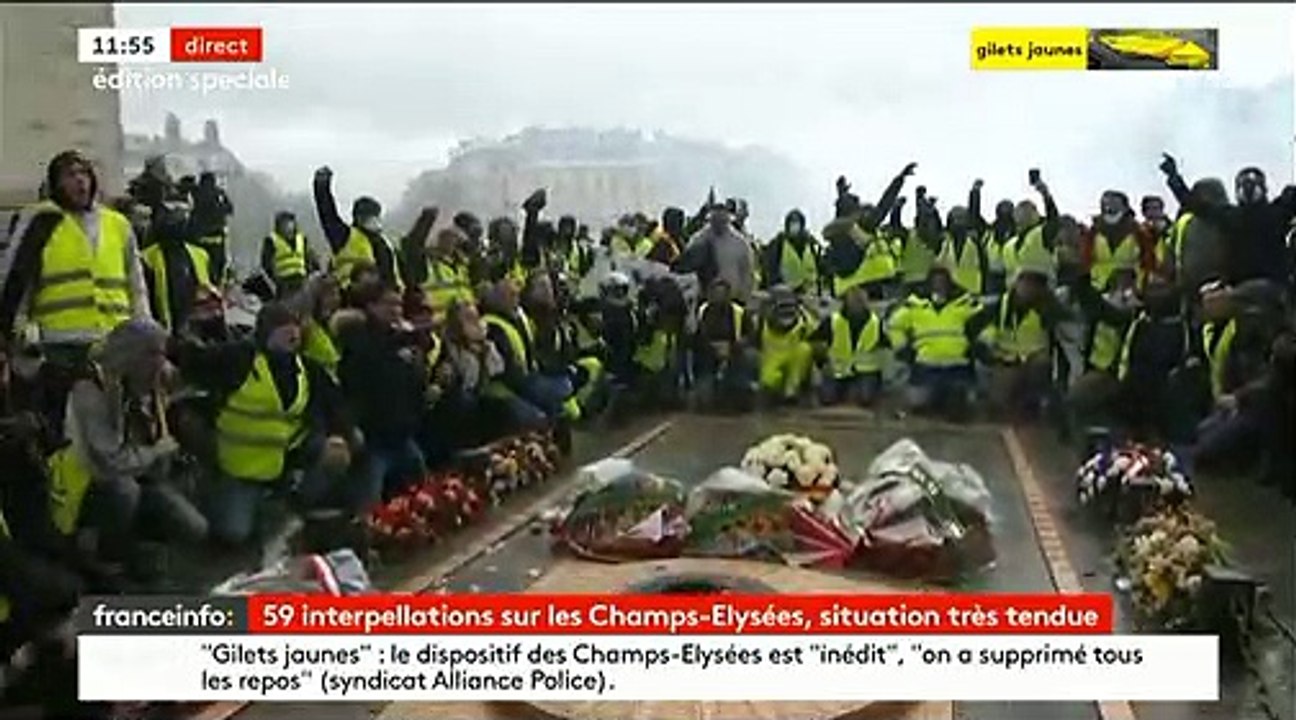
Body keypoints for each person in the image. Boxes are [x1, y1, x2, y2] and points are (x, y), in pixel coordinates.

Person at [174, 303, 363, 547]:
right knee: (233, 533)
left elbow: (336, 405)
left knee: (336, 453)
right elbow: (194, 364)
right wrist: (188, 335)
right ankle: (224, 498)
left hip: (287, 460)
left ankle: (294, 504)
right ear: (265, 333)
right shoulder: (239, 359)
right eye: (283, 329)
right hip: (240, 468)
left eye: (294, 328)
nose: (292, 335)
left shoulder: (306, 368)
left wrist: (342, 434)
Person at [0, 151, 152, 437]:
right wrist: (19, 327)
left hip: (113, 342)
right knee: (66, 429)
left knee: (114, 424)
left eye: (84, 173)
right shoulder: (42, 222)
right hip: (60, 345)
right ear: (56, 183)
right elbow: (18, 279)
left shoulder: (118, 224)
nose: (79, 181)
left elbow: (135, 281)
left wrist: (143, 325)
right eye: (70, 175)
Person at [48, 319, 207, 585]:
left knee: (195, 528)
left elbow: (185, 382)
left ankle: (140, 543)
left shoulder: (145, 379)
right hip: (92, 482)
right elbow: (110, 462)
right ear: (132, 355)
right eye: (153, 354)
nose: (161, 362)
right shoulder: (91, 390)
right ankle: (98, 552)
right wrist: (156, 451)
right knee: (124, 492)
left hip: (140, 472)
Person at [336, 283, 428, 500]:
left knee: (424, 491)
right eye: (389, 304)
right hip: (374, 440)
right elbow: (354, 388)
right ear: (371, 306)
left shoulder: (404, 340)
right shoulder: (358, 341)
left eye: (398, 304)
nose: (395, 310)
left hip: (402, 435)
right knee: (369, 499)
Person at [1160, 153, 1296, 286]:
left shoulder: (1229, 215)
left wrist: (1173, 177)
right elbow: (1193, 203)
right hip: (1274, 285)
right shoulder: (1277, 211)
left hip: (1241, 286)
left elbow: (1192, 203)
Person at [887, 262, 983, 421]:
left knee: (959, 408)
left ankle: (955, 397)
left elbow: (985, 322)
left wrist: (978, 344)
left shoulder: (965, 303)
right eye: (935, 280)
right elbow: (894, 325)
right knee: (918, 404)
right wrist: (901, 347)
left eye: (943, 280)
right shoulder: (915, 305)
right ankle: (937, 397)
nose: (939, 284)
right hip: (926, 364)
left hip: (958, 364)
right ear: (929, 282)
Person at [313, 165, 434, 291]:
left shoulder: (386, 242)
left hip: (391, 297)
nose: (372, 221)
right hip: (355, 296)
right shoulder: (344, 236)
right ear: (357, 218)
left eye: (375, 216)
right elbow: (327, 214)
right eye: (367, 217)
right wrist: (322, 187)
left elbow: (401, 271)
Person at [974, 264, 1065, 420]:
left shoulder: (1048, 309)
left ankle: (1033, 404)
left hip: (1035, 361)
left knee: (1040, 369)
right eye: (1025, 283)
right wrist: (991, 353)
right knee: (999, 403)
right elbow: (976, 330)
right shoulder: (999, 306)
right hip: (1006, 360)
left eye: (1034, 285)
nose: (1028, 288)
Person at [480, 278, 570, 430]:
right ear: (497, 299)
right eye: (509, 295)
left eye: (516, 294)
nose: (515, 299)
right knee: (539, 413)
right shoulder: (491, 325)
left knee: (562, 389)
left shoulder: (521, 317)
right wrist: (532, 385)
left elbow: (537, 347)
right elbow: (507, 372)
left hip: (527, 377)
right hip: (504, 388)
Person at [822, 165, 914, 300]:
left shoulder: (837, 234)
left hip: (845, 291)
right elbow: (883, 207)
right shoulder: (860, 228)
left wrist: (841, 193)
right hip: (868, 289)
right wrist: (899, 180)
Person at [140, 188, 220, 336]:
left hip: (197, 338)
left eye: (182, 214)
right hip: (162, 337)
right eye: (172, 214)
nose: (177, 220)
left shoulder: (201, 255)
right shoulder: (147, 258)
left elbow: (212, 298)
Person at [811, 282, 888, 407]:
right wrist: (822, 361)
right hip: (837, 371)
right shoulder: (832, 320)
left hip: (865, 371)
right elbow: (815, 341)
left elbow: (887, 347)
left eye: (860, 299)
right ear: (845, 302)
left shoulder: (876, 322)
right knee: (827, 399)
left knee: (865, 399)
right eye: (853, 299)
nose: (857, 302)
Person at [693, 278, 755, 412]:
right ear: (710, 294)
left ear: (729, 295)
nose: (719, 296)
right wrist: (713, 348)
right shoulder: (702, 311)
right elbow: (694, 338)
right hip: (708, 357)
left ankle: (742, 390)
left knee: (750, 358)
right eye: (716, 293)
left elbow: (751, 336)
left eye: (723, 293)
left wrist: (734, 346)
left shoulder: (740, 312)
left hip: (735, 355)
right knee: (705, 401)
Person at [677, 201, 757, 304]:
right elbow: (686, 267)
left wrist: (744, 298)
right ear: (710, 220)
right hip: (705, 299)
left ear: (728, 220)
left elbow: (748, 272)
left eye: (722, 220)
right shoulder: (698, 240)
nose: (718, 223)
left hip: (732, 300)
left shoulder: (740, 243)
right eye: (715, 219)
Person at [753, 286, 815, 405]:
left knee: (805, 349)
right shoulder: (759, 321)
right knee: (768, 382)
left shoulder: (805, 320)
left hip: (795, 358)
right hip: (771, 359)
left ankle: (791, 392)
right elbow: (753, 343)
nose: (785, 310)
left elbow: (816, 341)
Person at [1002, 172, 1060, 286]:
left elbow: (1054, 221)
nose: (1024, 213)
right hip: (1015, 296)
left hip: (1043, 295)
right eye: (1020, 210)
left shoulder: (1041, 234)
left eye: (1030, 209)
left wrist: (1046, 195)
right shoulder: (1009, 244)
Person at [1082, 190, 1142, 291]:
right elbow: (1085, 261)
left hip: (1130, 290)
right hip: (1098, 288)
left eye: (1115, 204)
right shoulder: (1093, 231)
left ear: (1126, 208)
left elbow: (1148, 262)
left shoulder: (1139, 231)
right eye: (1105, 205)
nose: (1109, 208)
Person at [416, 227, 475, 325]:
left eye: (454, 239)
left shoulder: (462, 266)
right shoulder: (428, 263)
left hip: (466, 320)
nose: (451, 242)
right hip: (439, 321)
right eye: (446, 238)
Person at [260, 211, 319, 298]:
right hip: (284, 283)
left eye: (290, 223)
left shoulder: (302, 239)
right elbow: (266, 263)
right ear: (279, 225)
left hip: (302, 281)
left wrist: (311, 273)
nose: (288, 226)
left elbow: (310, 258)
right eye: (285, 223)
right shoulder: (271, 240)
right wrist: (275, 279)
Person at [188, 172, 234, 284]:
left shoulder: (195, 192)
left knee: (201, 267)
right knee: (218, 268)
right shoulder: (219, 194)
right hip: (217, 239)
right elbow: (230, 209)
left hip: (198, 239)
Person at [761, 209, 820, 296]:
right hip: (785, 297)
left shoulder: (810, 244)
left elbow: (818, 268)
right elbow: (769, 268)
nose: (794, 225)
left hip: (810, 296)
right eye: (792, 222)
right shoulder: (779, 243)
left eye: (797, 222)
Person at [938, 198, 986, 297]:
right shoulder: (944, 243)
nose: (958, 222)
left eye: (961, 218)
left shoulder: (975, 242)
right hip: (951, 292)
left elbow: (984, 266)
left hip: (972, 291)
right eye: (955, 218)